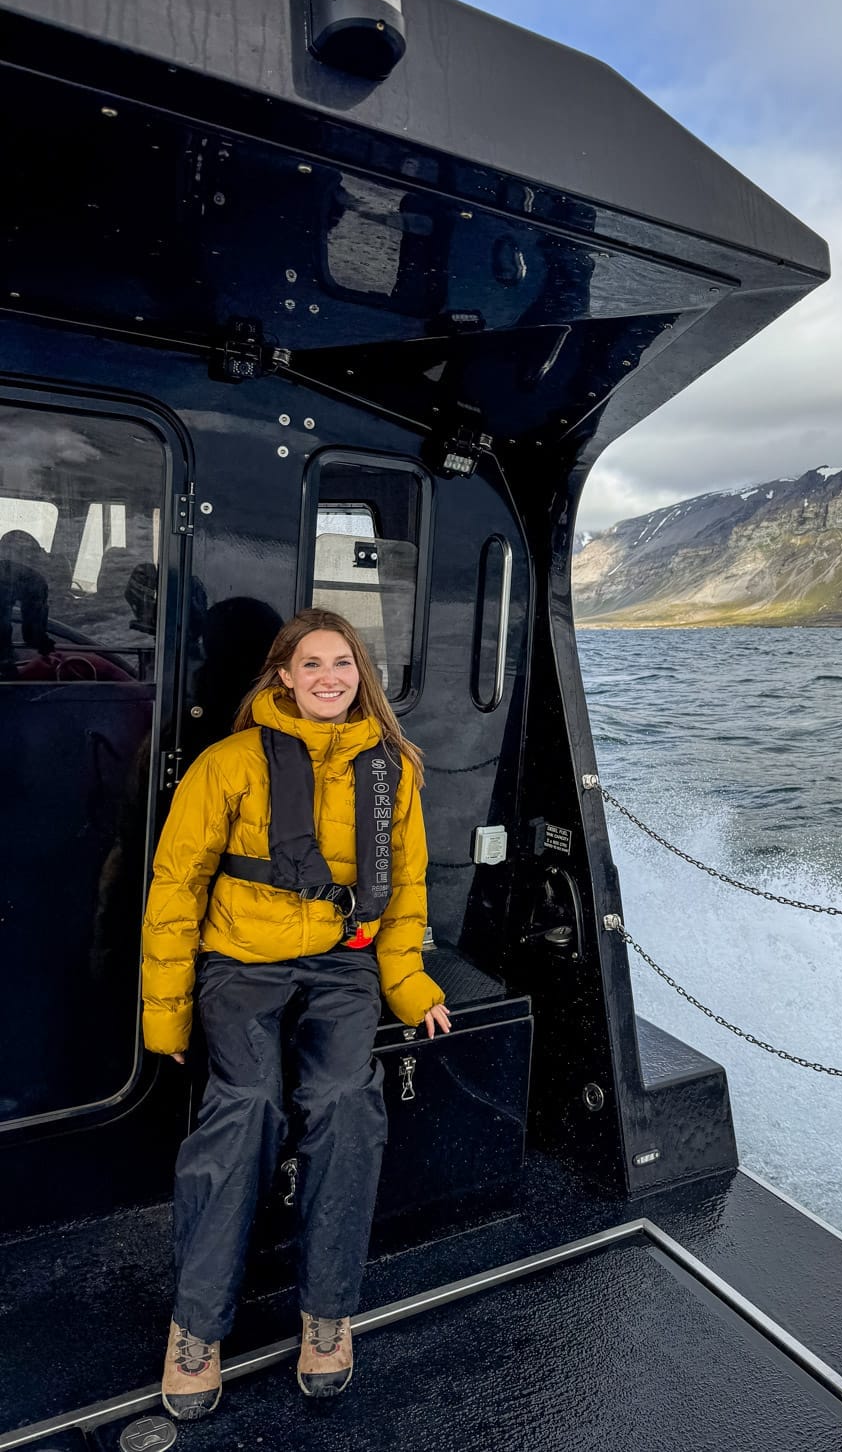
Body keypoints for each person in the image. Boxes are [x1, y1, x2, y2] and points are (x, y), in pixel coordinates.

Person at [141, 608, 451, 1420]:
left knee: (347, 1101)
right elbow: (175, 890)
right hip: (241, 962)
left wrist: (411, 988)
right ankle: (196, 1328)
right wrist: (167, 1018)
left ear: (360, 675)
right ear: (282, 674)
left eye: (341, 664)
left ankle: (327, 1315)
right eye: (310, 663)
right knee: (246, 1107)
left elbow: (406, 891)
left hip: (343, 965)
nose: (327, 678)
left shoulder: (393, 768)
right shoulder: (230, 763)